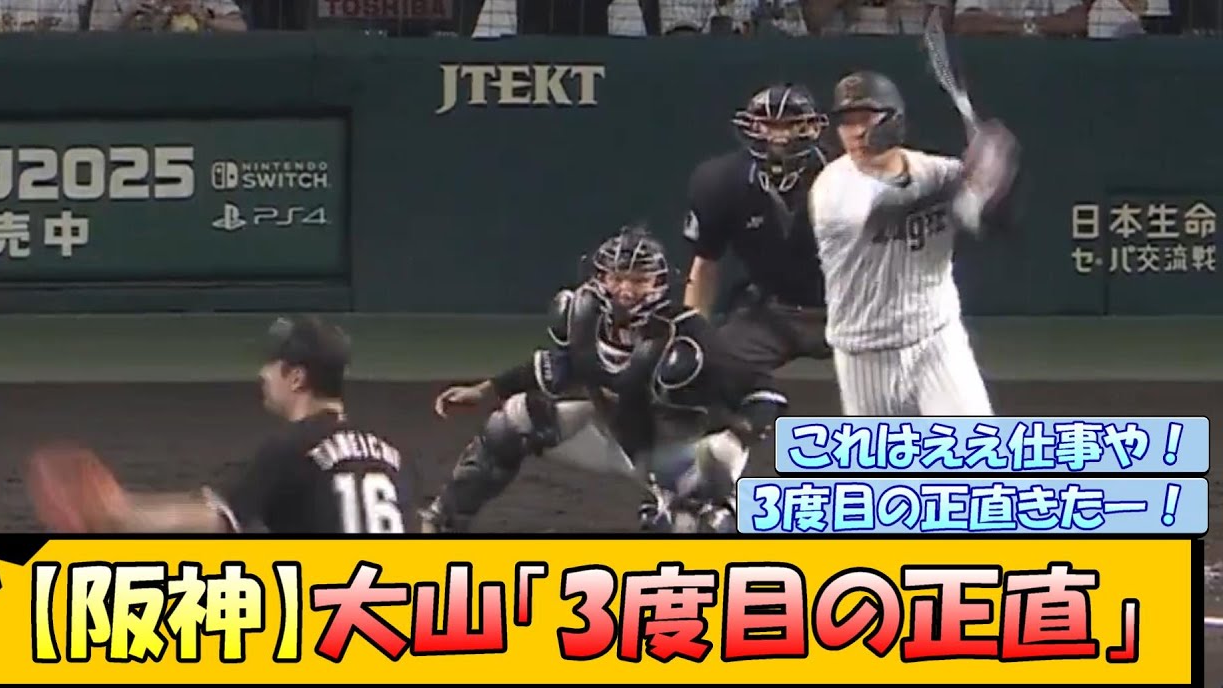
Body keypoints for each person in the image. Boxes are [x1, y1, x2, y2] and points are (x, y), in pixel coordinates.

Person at [33, 315, 450, 688]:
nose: (262, 375)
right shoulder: (394, 453)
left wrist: (122, 514)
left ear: (296, 378)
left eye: (271, 365)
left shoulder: (289, 448)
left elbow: (214, 520)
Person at [421, 225, 788, 534]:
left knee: (692, 526)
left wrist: (734, 440)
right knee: (514, 420)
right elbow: (556, 366)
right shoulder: (583, 321)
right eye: (617, 277)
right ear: (600, 278)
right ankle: (445, 519)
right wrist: (485, 390)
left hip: (681, 455)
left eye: (639, 280)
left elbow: (763, 391)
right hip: (616, 439)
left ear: (659, 283)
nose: (626, 290)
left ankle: (712, 512)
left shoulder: (689, 333)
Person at [808, 70, 1020, 416]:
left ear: (894, 120)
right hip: (864, 353)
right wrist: (967, 176)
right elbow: (888, 212)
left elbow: (997, 224)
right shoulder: (832, 188)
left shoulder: (937, 172)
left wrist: (997, 178)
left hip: (936, 339)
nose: (856, 131)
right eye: (847, 121)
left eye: (866, 118)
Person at [682, 83, 834, 373]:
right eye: (768, 125)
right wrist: (692, 335)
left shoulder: (847, 176)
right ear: (750, 127)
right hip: (772, 313)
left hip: (845, 311)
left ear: (813, 128)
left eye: (790, 125)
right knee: (701, 369)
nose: (779, 136)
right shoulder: (721, 181)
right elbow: (705, 265)